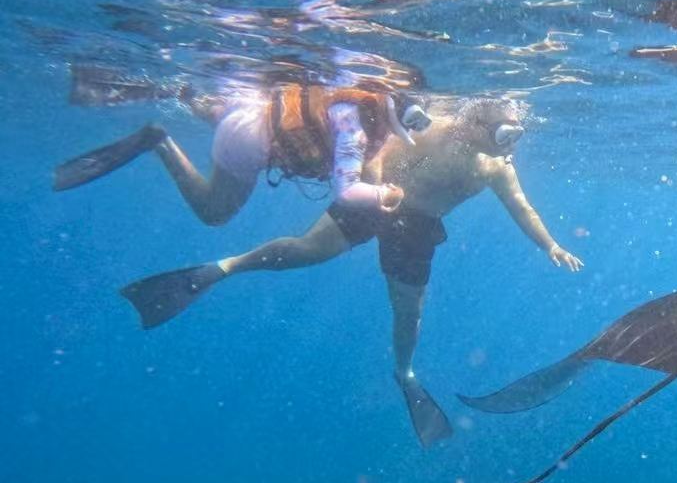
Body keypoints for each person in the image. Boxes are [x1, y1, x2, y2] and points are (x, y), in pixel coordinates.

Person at [119, 95, 585, 448]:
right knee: (308, 249)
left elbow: (522, 208)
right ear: (478, 119)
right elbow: (379, 146)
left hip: (417, 228)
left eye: (516, 136)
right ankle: (222, 268)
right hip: (375, 201)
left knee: (408, 312)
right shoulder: (432, 125)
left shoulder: (497, 168)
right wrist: (375, 187)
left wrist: (550, 244)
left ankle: (404, 372)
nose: (510, 145)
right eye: (505, 135)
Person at [52, 74, 433, 227]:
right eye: (394, 129)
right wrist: (383, 194)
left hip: (253, 111)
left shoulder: (351, 93)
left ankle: (174, 90)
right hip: (248, 144)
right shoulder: (355, 132)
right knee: (214, 213)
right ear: (385, 117)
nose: (391, 135)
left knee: (216, 111)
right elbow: (346, 191)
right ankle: (159, 141)